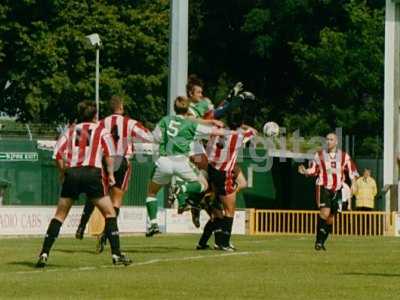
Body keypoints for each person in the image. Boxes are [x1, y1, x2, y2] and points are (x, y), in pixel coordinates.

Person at [35, 101, 131, 267]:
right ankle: (116, 254)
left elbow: (57, 155)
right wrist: (110, 175)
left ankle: (44, 253)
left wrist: (63, 173)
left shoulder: (70, 131)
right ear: (95, 116)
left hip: (73, 174)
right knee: (109, 213)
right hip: (92, 174)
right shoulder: (101, 131)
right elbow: (109, 155)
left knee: (59, 215)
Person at [75, 96, 153, 252]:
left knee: (96, 194)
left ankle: (82, 225)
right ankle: (106, 234)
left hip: (105, 160)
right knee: (116, 201)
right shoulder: (129, 122)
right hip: (122, 161)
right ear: (121, 107)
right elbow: (148, 136)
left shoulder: (101, 123)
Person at [145, 96, 228, 237]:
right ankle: (182, 189)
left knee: (152, 193)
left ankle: (153, 224)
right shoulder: (191, 124)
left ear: (174, 108)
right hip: (181, 162)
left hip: (164, 161)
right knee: (203, 184)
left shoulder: (165, 120)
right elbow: (212, 132)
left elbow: (156, 137)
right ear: (187, 109)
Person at [198, 108, 257, 251]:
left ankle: (215, 241)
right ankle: (223, 243)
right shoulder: (240, 135)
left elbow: (204, 126)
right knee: (229, 210)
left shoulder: (216, 129)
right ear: (240, 122)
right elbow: (254, 132)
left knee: (219, 212)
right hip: (223, 173)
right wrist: (242, 125)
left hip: (210, 169)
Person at [298, 133, 358, 251]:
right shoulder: (319, 155)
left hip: (337, 189)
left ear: (336, 142)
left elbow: (352, 171)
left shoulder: (344, 156)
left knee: (331, 218)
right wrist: (305, 171)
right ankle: (318, 242)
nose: (329, 141)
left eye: (331, 139)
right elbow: (314, 170)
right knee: (324, 213)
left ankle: (323, 240)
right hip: (323, 187)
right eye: (327, 139)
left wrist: (354, 183)